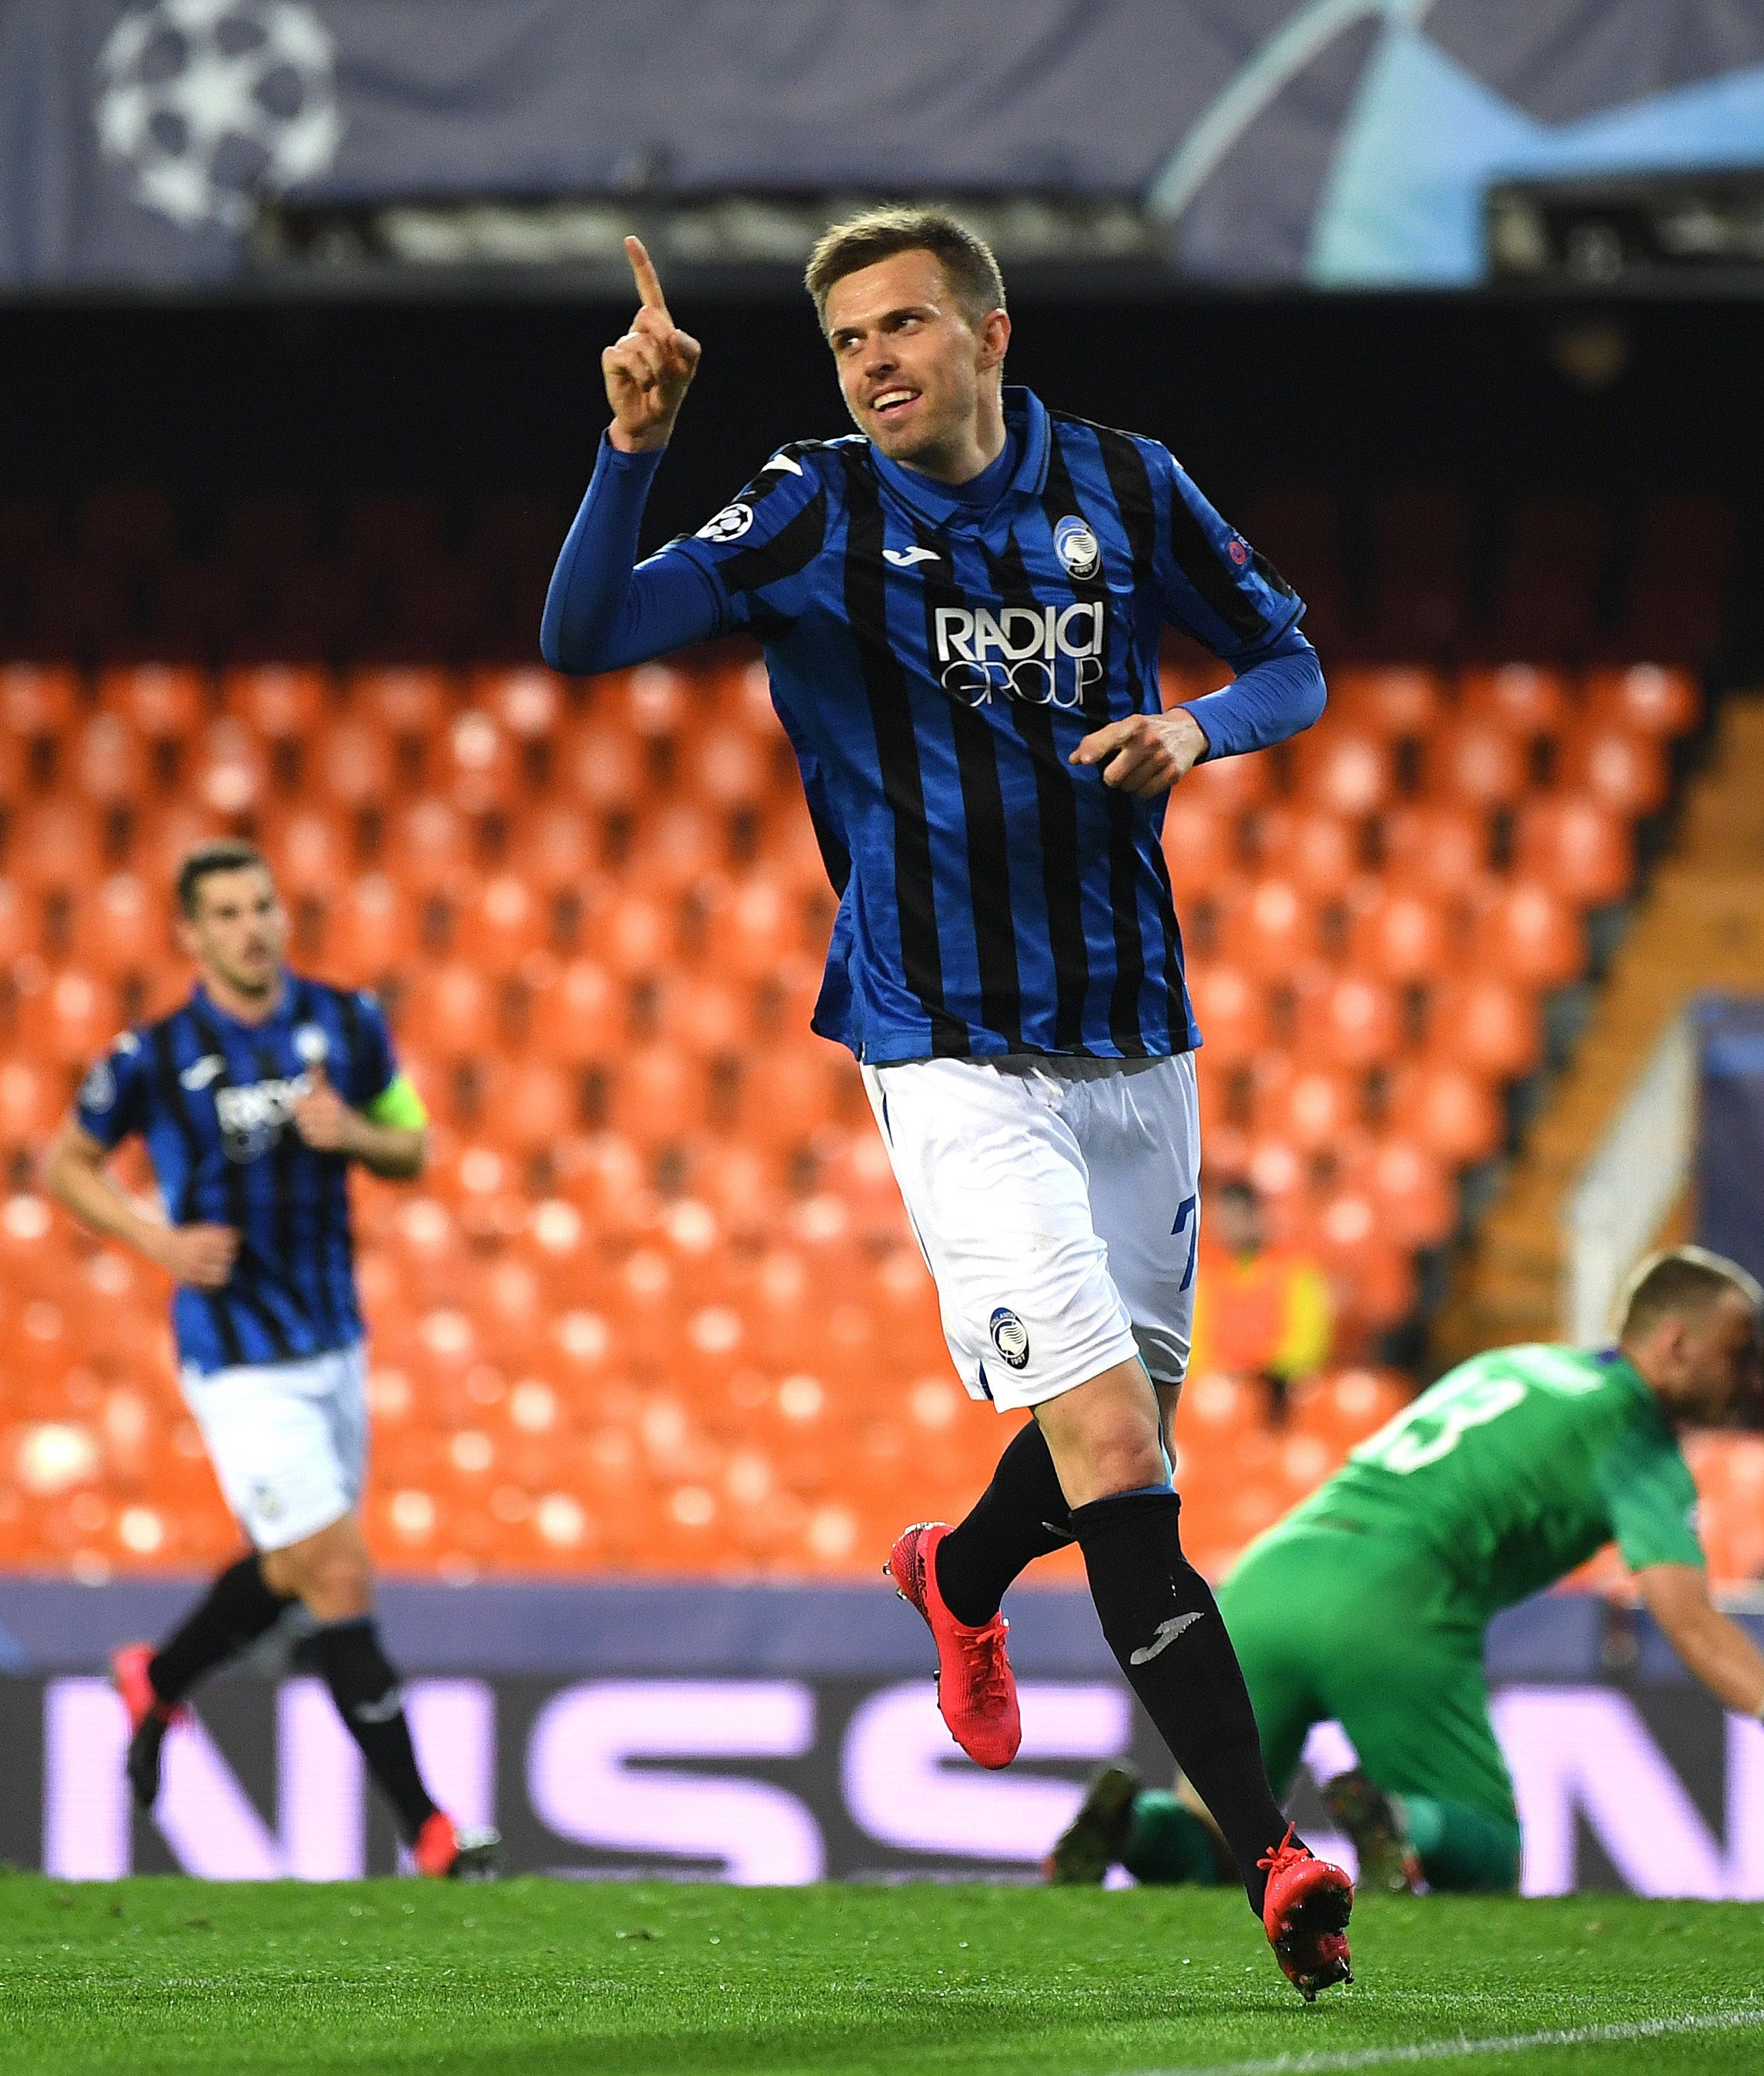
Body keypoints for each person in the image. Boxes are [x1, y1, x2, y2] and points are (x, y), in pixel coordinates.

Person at [539, 209, 1352, 1996]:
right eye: (848, 341)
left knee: (1113, 1434)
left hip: (1134, 1035)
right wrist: (634, 446)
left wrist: (1198, 729)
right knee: (1125, 1459)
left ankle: (959, 1572)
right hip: (948, 1044)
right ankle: (1272, 1854)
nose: (873, 363)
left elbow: (1291, 662)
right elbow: (586, 632)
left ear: (992, 331)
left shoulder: (1125, 483)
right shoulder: (813, 505)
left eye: (903, 324)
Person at [1046, 1247, 1764, 1895]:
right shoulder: (1633, 1438)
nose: (1756, 1378)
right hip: (1390, 1605)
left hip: (1269, 1579)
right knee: (1489, 1849)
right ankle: (1403, 1824)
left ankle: (1130, 1824)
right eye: (1742, 1353)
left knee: (1221, 1836)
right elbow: (1690, 1619)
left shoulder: (1521, 1364)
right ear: (1673, 1342)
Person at [42, 837, 499, 1880]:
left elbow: (414, 1145)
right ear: (191, 934)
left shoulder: (346, 1022)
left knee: (296, 1568)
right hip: (236, 1353)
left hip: (333, 1342)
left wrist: (354, 1134)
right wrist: (155, 1238)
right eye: (228, 913)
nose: (252, 928)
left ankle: (157, 1677)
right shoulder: (154, 1054)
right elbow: (65, 1162)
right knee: (336, 1567)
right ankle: (430, 1831)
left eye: (262, 907)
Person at [1188, 1177, 1336, 1427]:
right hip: (1218, 1389)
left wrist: (1259, 1373)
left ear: (1257, 1216)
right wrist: (1223, 1374)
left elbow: (1307, 1343)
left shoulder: (1296, 1270)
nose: (1231, 1227)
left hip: (1277, 1391)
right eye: (1225, 1219)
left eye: (1239, 1217)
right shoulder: (1203, 1276)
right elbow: (1194, 1346)